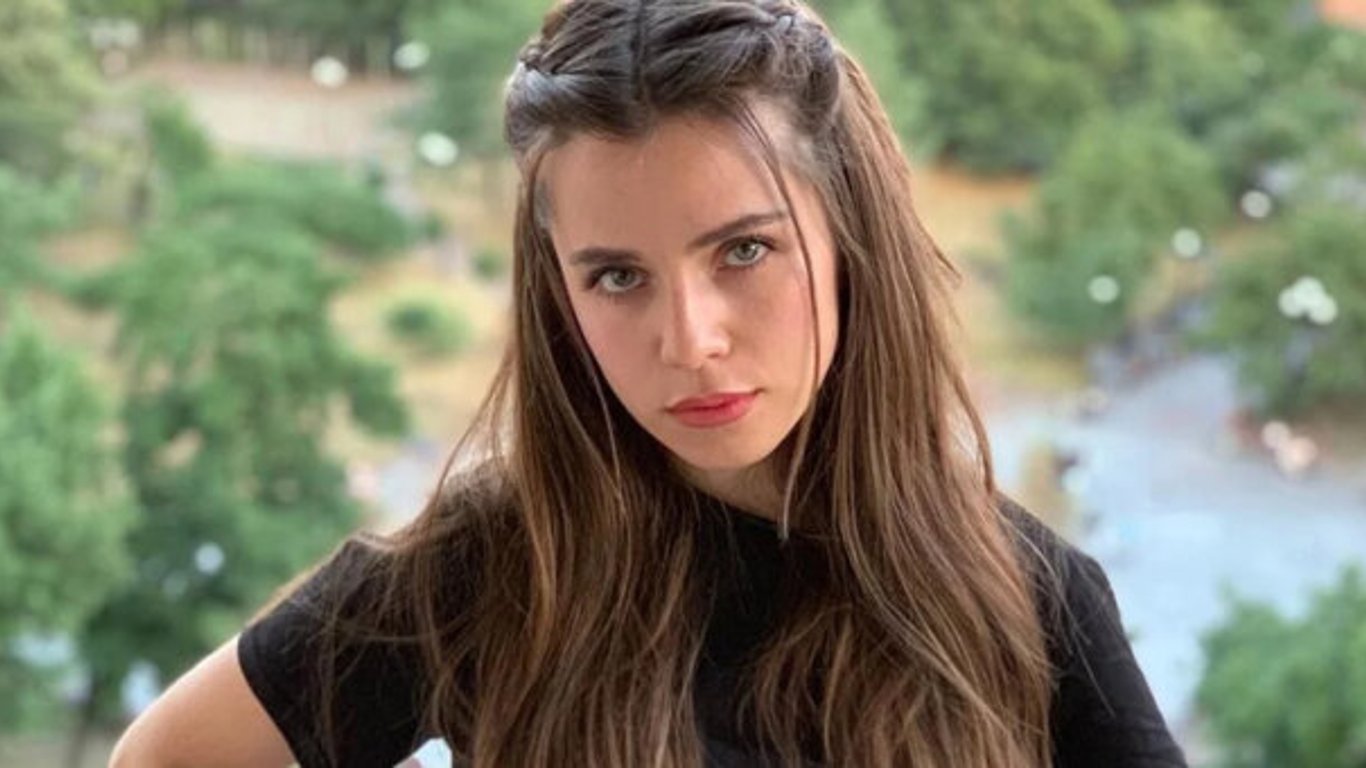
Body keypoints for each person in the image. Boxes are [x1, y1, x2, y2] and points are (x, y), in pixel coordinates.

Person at [110, 1, 1187, 766]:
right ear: (560, 295)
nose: (689, 340)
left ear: (848, 243)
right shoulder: (491, 568)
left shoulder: (1025, 597)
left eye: (744, 251)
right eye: (617, 276)